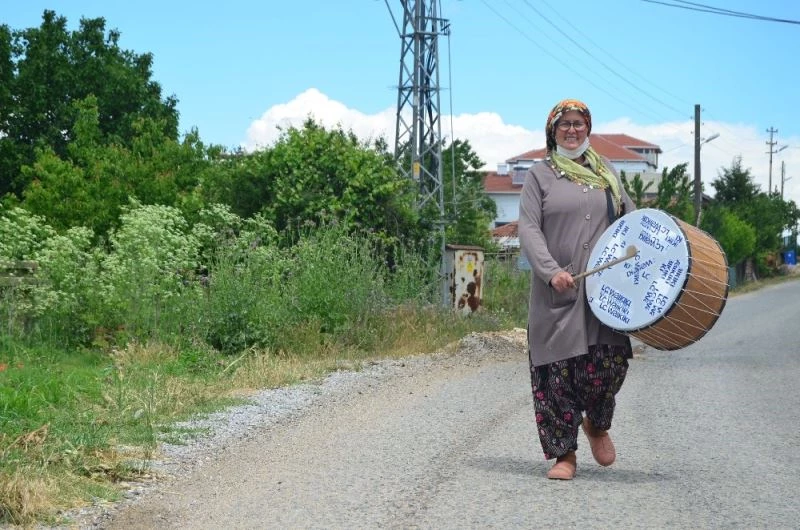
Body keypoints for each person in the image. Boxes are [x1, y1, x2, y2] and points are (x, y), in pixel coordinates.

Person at [518, 99, 636, 480]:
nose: (572, 130)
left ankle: (597, 425)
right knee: (557, 374)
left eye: (578, 123)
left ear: (588, 128)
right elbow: (529, 229)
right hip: (559, 291)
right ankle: (564, 456)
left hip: (603, 292)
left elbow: (631, 223)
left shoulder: (608, 175)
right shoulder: (540, 175)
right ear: (552, 131)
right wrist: (551, 271)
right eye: (564, 124)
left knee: (609, 365)